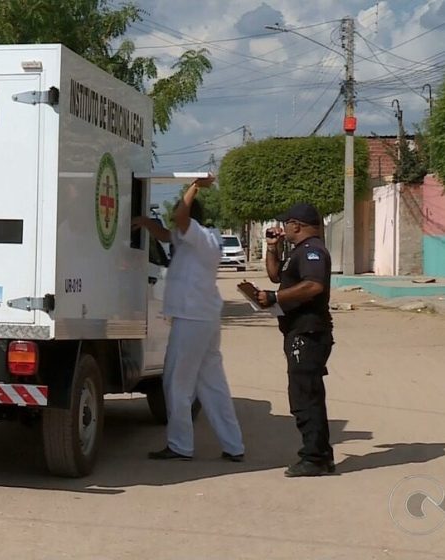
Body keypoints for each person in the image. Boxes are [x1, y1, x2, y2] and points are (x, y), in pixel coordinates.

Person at [133, 177, 245, 462]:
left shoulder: (201, 237)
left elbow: (180, 217)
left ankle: (180, 445)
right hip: (201, 318)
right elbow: (164, 233)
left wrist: (194, 186)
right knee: (212, 384)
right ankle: (234, 446)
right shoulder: (193, 239)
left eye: (178, 218)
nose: (174, 222)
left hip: (192, 318)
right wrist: (145, 222)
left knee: (176, 383)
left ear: (190, 220)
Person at [257, 203, 335, 477]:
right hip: (298, 332)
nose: (283, 229)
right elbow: (275, 275)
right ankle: (321, 455)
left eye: (286, 224)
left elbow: (314, 286)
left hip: (308, 333)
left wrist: (276, 298)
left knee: (304, 397)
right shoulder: (298, 252)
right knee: (309, 393)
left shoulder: (313, 251)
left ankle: (313, 458)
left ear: (297, 225)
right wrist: (272, 248)